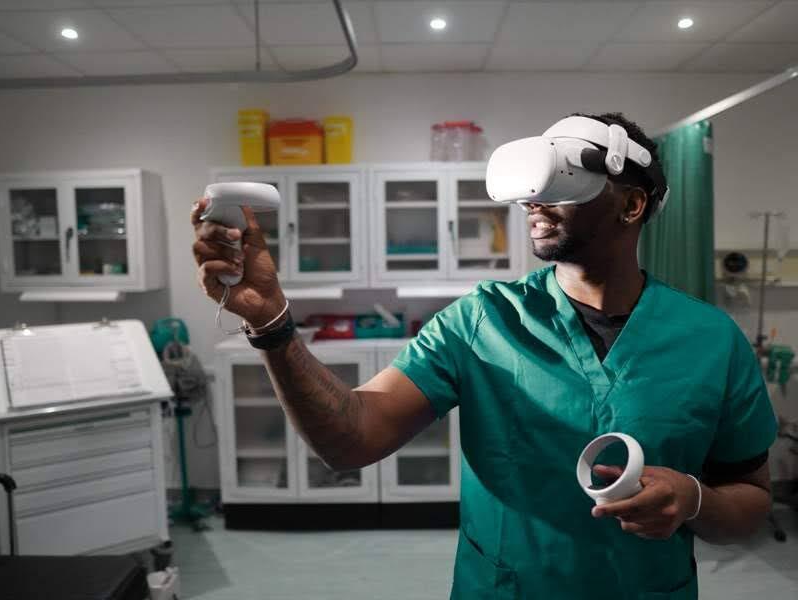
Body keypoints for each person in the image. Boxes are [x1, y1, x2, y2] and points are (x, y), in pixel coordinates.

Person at [192, 112, 777, 599]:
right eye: (532, 191)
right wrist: (271, 321)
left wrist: (695, 499)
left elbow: (750, 497)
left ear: (630, 205)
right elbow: (351, 439)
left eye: (561, 185)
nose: (534, 203)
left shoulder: (710, 340)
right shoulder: (481, 321)